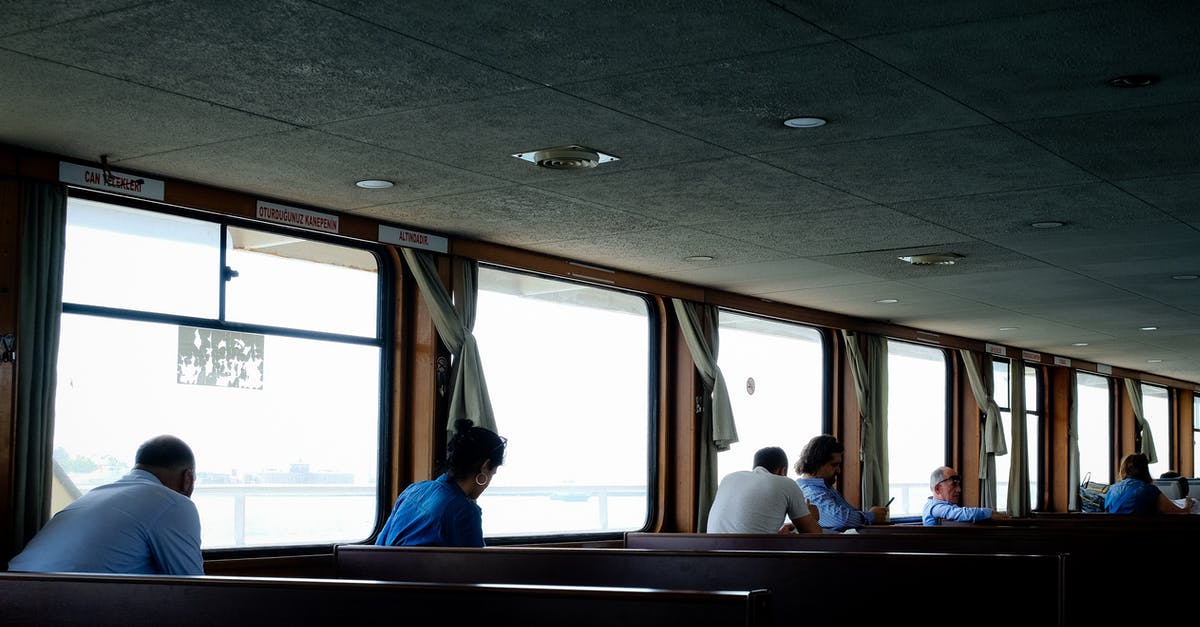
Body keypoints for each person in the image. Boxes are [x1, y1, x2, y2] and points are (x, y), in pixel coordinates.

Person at [8, 434, 204, 575]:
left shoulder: (94, 495)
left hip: (13, 593)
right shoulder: (173, 503)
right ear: (188, 478)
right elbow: (194, 590)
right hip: (64, 605)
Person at [376, 419, 506, 547]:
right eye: (492, 473)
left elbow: (380, 545)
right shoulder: (464, 511)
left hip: (384, 568)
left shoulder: (414, 490)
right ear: (485, 466)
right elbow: (476, 565)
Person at [706, 446, 821, 534]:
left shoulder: (728, 478)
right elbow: (813, 534)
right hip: (752, 562)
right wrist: (812, 518)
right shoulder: (787, 483)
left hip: (711, 558)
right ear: (783, 471)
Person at [795, 435, 888, 532]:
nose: (838, 470)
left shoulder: (825, 489)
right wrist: (871, 516)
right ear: (817, 463)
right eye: (834, 465)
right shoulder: (812, 493)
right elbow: (841, 519)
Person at [1105, 454, 1194, 514]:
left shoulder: (1112, 489)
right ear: (1145, 470)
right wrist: (1188, 504)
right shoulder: (1149, 490)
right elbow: (1181, 513)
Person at [922, 466, 1005, 526]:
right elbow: (961, 513)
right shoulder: (935, 507)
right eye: (954, 485)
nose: (959, 490)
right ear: (938, 489)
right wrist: (990, 513)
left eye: (958, 485)